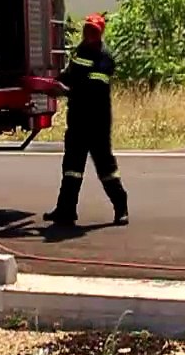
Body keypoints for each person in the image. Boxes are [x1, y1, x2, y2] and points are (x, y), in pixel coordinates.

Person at [44, 13, 129, 227]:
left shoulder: (105, 58)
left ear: (100, 34)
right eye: (87, 30)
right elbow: (70, 74)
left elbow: (94, 89)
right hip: (78, 121)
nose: (88, 34)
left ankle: (121, 207)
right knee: (72, 167)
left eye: (93, 31)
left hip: (97, 122)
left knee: (106, 168)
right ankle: (66, 210)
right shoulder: (80, 51)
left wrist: (66, 92)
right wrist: (51, 83)